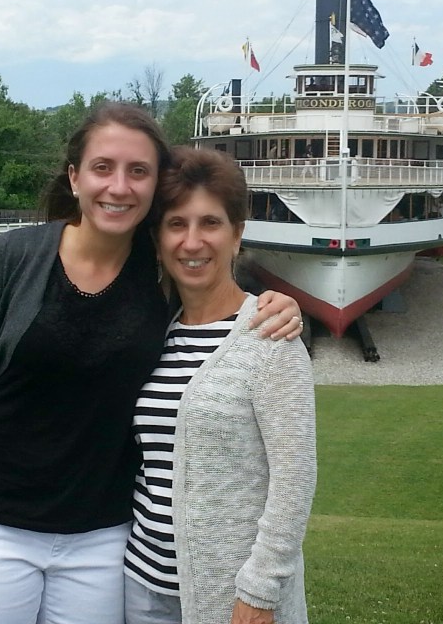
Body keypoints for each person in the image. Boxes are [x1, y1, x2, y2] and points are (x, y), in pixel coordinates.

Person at [0, 103, 303, 623]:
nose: (119, 187)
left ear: (154, 186)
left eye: (138, 171)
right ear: (75, 177)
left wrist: (282, 303)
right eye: (103, 167)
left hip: (102, 538)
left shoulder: (160, 272)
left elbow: (216, 293)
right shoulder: (15, 257)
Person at [123, 147, 316, 624]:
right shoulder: (151, 335)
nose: (192, 242)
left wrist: (260, 590)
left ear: (237, 234)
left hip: (231, 595)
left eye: (210, 223)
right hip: (142, 585)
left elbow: (294, 479)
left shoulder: (270, 335)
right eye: (176, 224)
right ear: (158, 238)